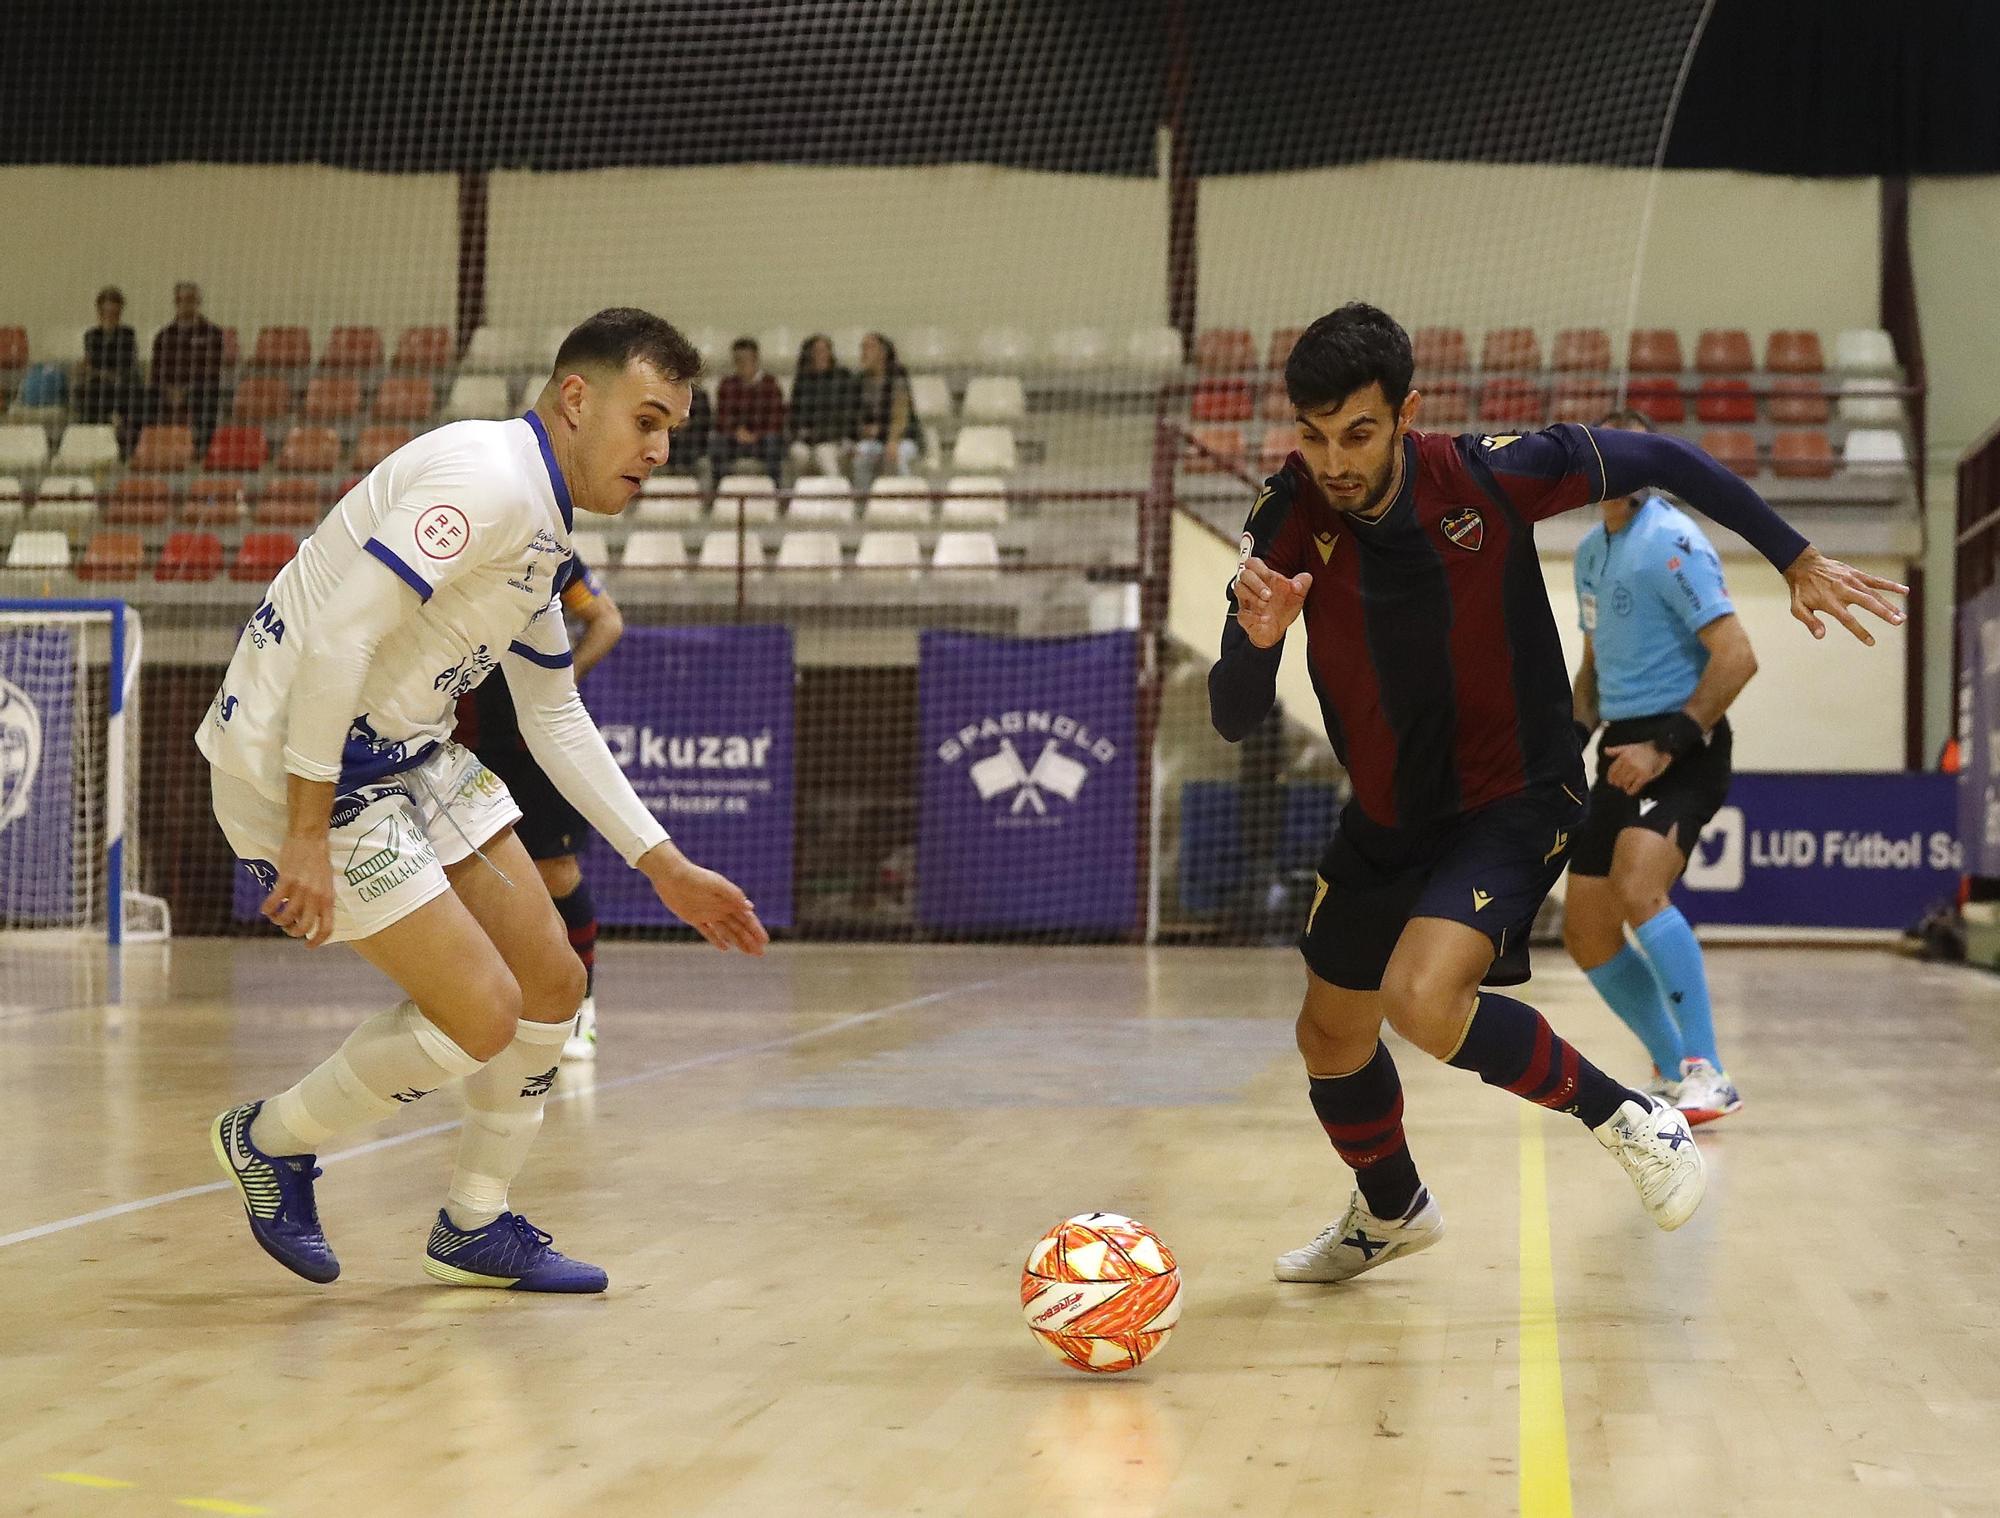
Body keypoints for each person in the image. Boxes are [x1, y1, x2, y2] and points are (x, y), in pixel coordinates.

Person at [1209, 303, 1902, 1284]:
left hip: (1512, 794)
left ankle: (1632, 1117)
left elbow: (1661, 457)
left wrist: (1791, 556)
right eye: (1313, 436)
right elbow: (1233, 714)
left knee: (1420, 995)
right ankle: (1390, 1207)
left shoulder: (1488, 474)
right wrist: (1263, 644)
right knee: (1328, 1033)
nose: (1334, 460)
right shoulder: (1284, 515)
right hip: (1384, 814)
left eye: (1357, 433)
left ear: (1406, 412)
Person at [197, 308, 768, 1295]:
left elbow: (553, 714)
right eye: (645, 420)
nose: (660, 450)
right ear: (576, 400)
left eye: (671, 427)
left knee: (552, 985)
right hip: (302, 766)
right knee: (482, 1014)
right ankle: (269, 1138)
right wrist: (300, 832)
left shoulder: (543, 526)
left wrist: (659, 861)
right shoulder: (484, 481)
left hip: (406, 753)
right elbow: (338, 643)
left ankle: (474, 1224)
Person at [1564, 410, 1754, 1123]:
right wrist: (1563, 748)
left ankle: (1710, 1070)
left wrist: (1663, 748)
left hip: (1683, 746)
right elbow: (1592, 669)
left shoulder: (1673, 541)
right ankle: (1674, 1070)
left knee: (1640, 888)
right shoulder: (1589, 551)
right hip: (1619, 744)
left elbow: (1738, 658)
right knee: (1585, 931)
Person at [454, 551, 625, 1062]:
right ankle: (479, 1008)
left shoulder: (551, 554)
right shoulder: (441, 552)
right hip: (460, 742)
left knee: (555, 871)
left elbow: (606, 621)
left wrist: (560, 682)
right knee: (464, 878)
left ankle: (581, 1009)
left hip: (535, 742)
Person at [150, 280, 226, 451]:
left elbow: (212, 369)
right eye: (180, 300)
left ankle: (203, 449)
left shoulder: (213, 333)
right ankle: (151, 447)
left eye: (190, 299)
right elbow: (157, 371)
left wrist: (185, 391)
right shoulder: (164, 336)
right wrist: (168, 390)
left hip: (198, 389)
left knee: (208, 395)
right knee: (145, 398)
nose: (185, 304)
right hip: (167, 391)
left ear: (198, 302)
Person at [74, 285, 146, 455]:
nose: (110, 316)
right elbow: (90, 364)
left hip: (123, 381)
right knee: (86, 391)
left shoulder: (127, 334)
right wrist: (99, 372)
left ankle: (126, 441)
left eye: (114, 313)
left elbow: (127, 362)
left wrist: (102, 371)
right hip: (100, 384)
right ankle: (96, 439)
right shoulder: (91, 335)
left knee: (131, 390)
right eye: (106, 312)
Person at [853, 332, 922, 495]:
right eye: (862, 348)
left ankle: (907, 496)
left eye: (868, 347)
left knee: (898, 455)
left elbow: (901, 414)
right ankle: (862, 501)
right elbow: (856, 416)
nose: (863, 352)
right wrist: (864, 430)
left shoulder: (897, 376)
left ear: (882, 352)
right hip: (874, 441)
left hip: (903, 438)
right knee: (861, 454)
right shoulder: (860, 381)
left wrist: (892, 440)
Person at [711, 337, 785, 482]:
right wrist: (736, 432)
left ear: (756, 359)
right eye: (738, 359)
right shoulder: (728, 384)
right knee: (717, 443)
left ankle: (775, 491)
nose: (742, 363)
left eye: (746, 359)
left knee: (773, 443)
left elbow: (776, 419)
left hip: (763, 440)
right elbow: (723, 417)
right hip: (735, 440)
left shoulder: (770, 384)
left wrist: (756, 434)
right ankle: (719, 491)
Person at [788, 334, 858, 479]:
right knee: (798, 453)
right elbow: (796, 416)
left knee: (824, 453)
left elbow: (848, 414)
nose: (821, 354)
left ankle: (836, 495)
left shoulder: (843, 377)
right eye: (817, 351)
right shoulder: (803, 381)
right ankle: (800, 496)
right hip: (808, 440)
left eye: (825, 350)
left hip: (837, 439)